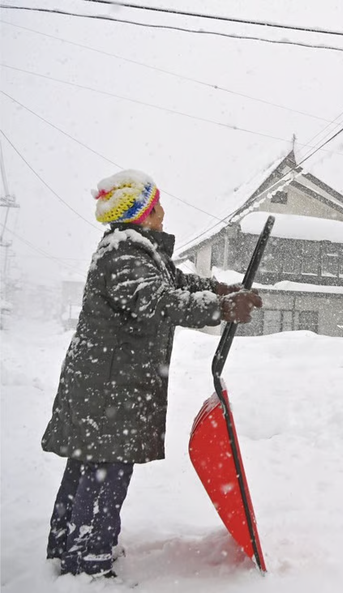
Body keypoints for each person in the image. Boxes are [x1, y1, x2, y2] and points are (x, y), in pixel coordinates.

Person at [41, 170, 263, 579]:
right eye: (156, 207)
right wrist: (223, 310)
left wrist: (220, 290)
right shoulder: (124, 256)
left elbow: (179, 282)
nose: (163, 213)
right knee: (106, 468)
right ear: (142, 215)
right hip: (108, 387)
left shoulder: (140, 253)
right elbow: (160, 301)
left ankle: (66, 545)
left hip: (106, 382)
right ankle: (88, 563)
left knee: (90, 464)